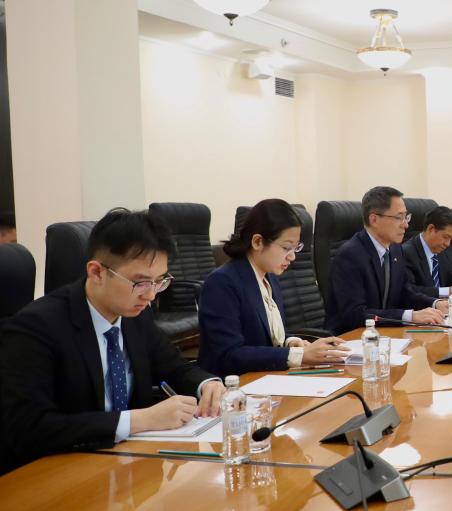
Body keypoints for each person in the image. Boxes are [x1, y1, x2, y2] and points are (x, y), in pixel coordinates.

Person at [0, 208, 224, 473]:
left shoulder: (134, 315)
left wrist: (206, 385)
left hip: (128, 464)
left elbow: (174, 367)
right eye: (140, 282)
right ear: (96, 272)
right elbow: (28, 428)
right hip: (61, 471)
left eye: (159, 281)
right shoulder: (36, 327)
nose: (150, 296)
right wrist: (140, 420)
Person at [198, 199, 350, 376]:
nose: (292, 257)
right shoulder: (222, 283)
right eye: (286, 247)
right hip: (232, 385)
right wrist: (298, 356)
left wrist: (291, 342)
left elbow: (264, 338)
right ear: (257, 242)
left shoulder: (269, 276)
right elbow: (229, 355)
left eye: (296, 248)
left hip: (266, 377)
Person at [325, 186, 446, 333]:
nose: (406, 225)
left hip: (385, 334)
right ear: (374, 219)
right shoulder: (350, 255)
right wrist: (410, 316)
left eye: (406, 217)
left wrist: (435, 304)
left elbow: (405, 292)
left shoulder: (395, 249)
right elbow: (355, 315)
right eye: (399, 217)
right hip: (350, 338)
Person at [401, 205, 452, 298]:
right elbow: (411, 291)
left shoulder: (440, 251)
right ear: (431, 229)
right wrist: (448, 291)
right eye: (446, 237)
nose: (448, 244)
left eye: (451, 239)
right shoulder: (406, 253)